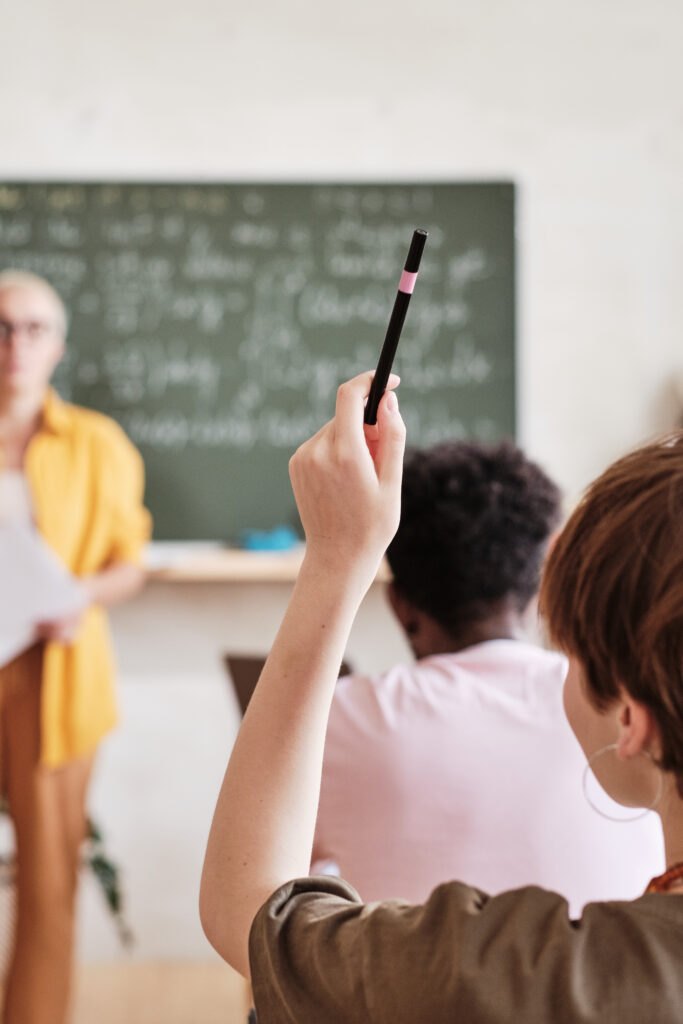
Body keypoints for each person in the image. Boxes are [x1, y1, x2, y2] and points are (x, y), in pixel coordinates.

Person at [200, 371, 683, 1022]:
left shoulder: (521, 970)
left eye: (568, 651)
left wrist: (336, 559)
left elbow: (251, 916)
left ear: (630, 717)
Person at [312, 441, 663, 912]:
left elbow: (266, 891)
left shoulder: (338, 717)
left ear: (402, 608)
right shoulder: (616, 702)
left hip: (409, 982)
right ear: (540, 586)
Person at [0, 270, 150, 1024]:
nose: (14, 344)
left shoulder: (98, 443)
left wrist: (75, 600)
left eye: (32, 328)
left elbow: (130, 562)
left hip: (53, 679)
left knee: (47, 875)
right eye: (1, 326)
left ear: (58, 344)